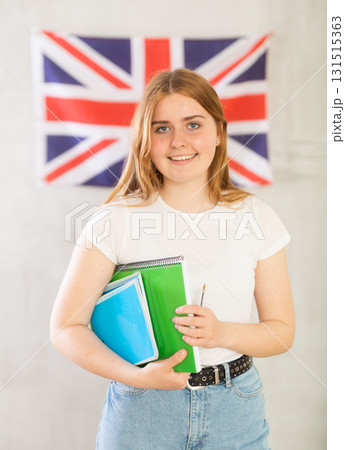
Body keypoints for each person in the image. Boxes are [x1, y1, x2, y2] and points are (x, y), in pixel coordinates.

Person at [50, 68, 295, 449]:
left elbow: (281, 331)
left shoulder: (257, 217)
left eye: (192, 124)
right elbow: (66, 328)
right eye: (162, 128)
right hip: (142, 411)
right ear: (146, 140)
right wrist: (137, 378)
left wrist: (221, 333)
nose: (178, 141)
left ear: (218, 132)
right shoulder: (114, 219)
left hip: (236, 409)